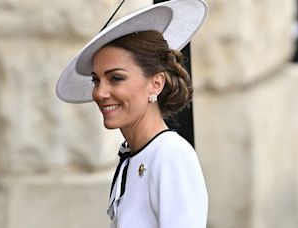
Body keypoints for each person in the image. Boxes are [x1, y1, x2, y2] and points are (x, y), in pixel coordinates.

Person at [55, 0, 209, 227]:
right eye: (96, 80)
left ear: (156, 83)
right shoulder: (133, 156)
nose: (100, 92)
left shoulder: (170, 155)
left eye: (115, 78)